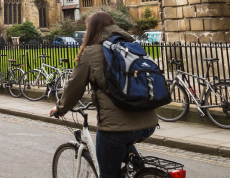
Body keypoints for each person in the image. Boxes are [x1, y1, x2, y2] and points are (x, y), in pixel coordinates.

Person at [50, 12, 158, 178]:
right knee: (127, 150)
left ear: (92, 29)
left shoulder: (91, 52)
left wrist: (61, 108)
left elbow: (74, 86)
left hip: (115, 127)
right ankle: (141, 171)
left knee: (108, 170)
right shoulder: (132, 45)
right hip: (149, 123)